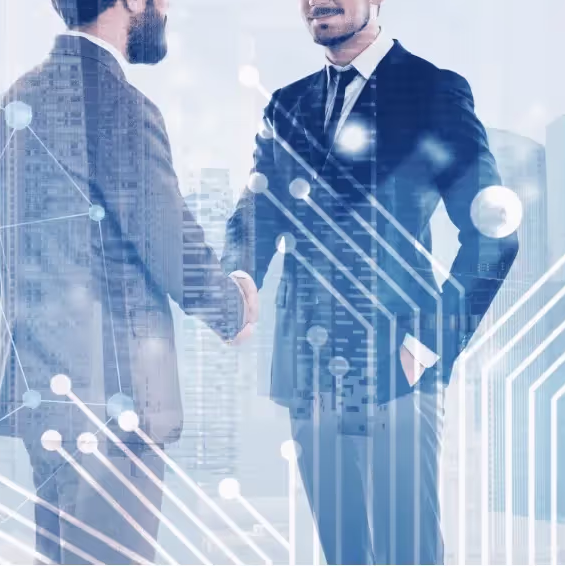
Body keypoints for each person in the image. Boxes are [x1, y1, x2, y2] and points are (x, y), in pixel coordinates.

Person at [222, 0, 519, 563]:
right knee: (344, 553)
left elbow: (493, 234)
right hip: (307, 372)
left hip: (397, 365)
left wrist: (428, 343)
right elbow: (256, 215)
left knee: (407, 551)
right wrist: (240, 277)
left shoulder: (433, 90)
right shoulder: (287, 105)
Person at [0, 0, 257, 563]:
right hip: (114, 402)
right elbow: (168, 242)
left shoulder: (14, 101)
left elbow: (4, 256)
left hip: (45, 398)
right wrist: (232, 307)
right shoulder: (119, 105)